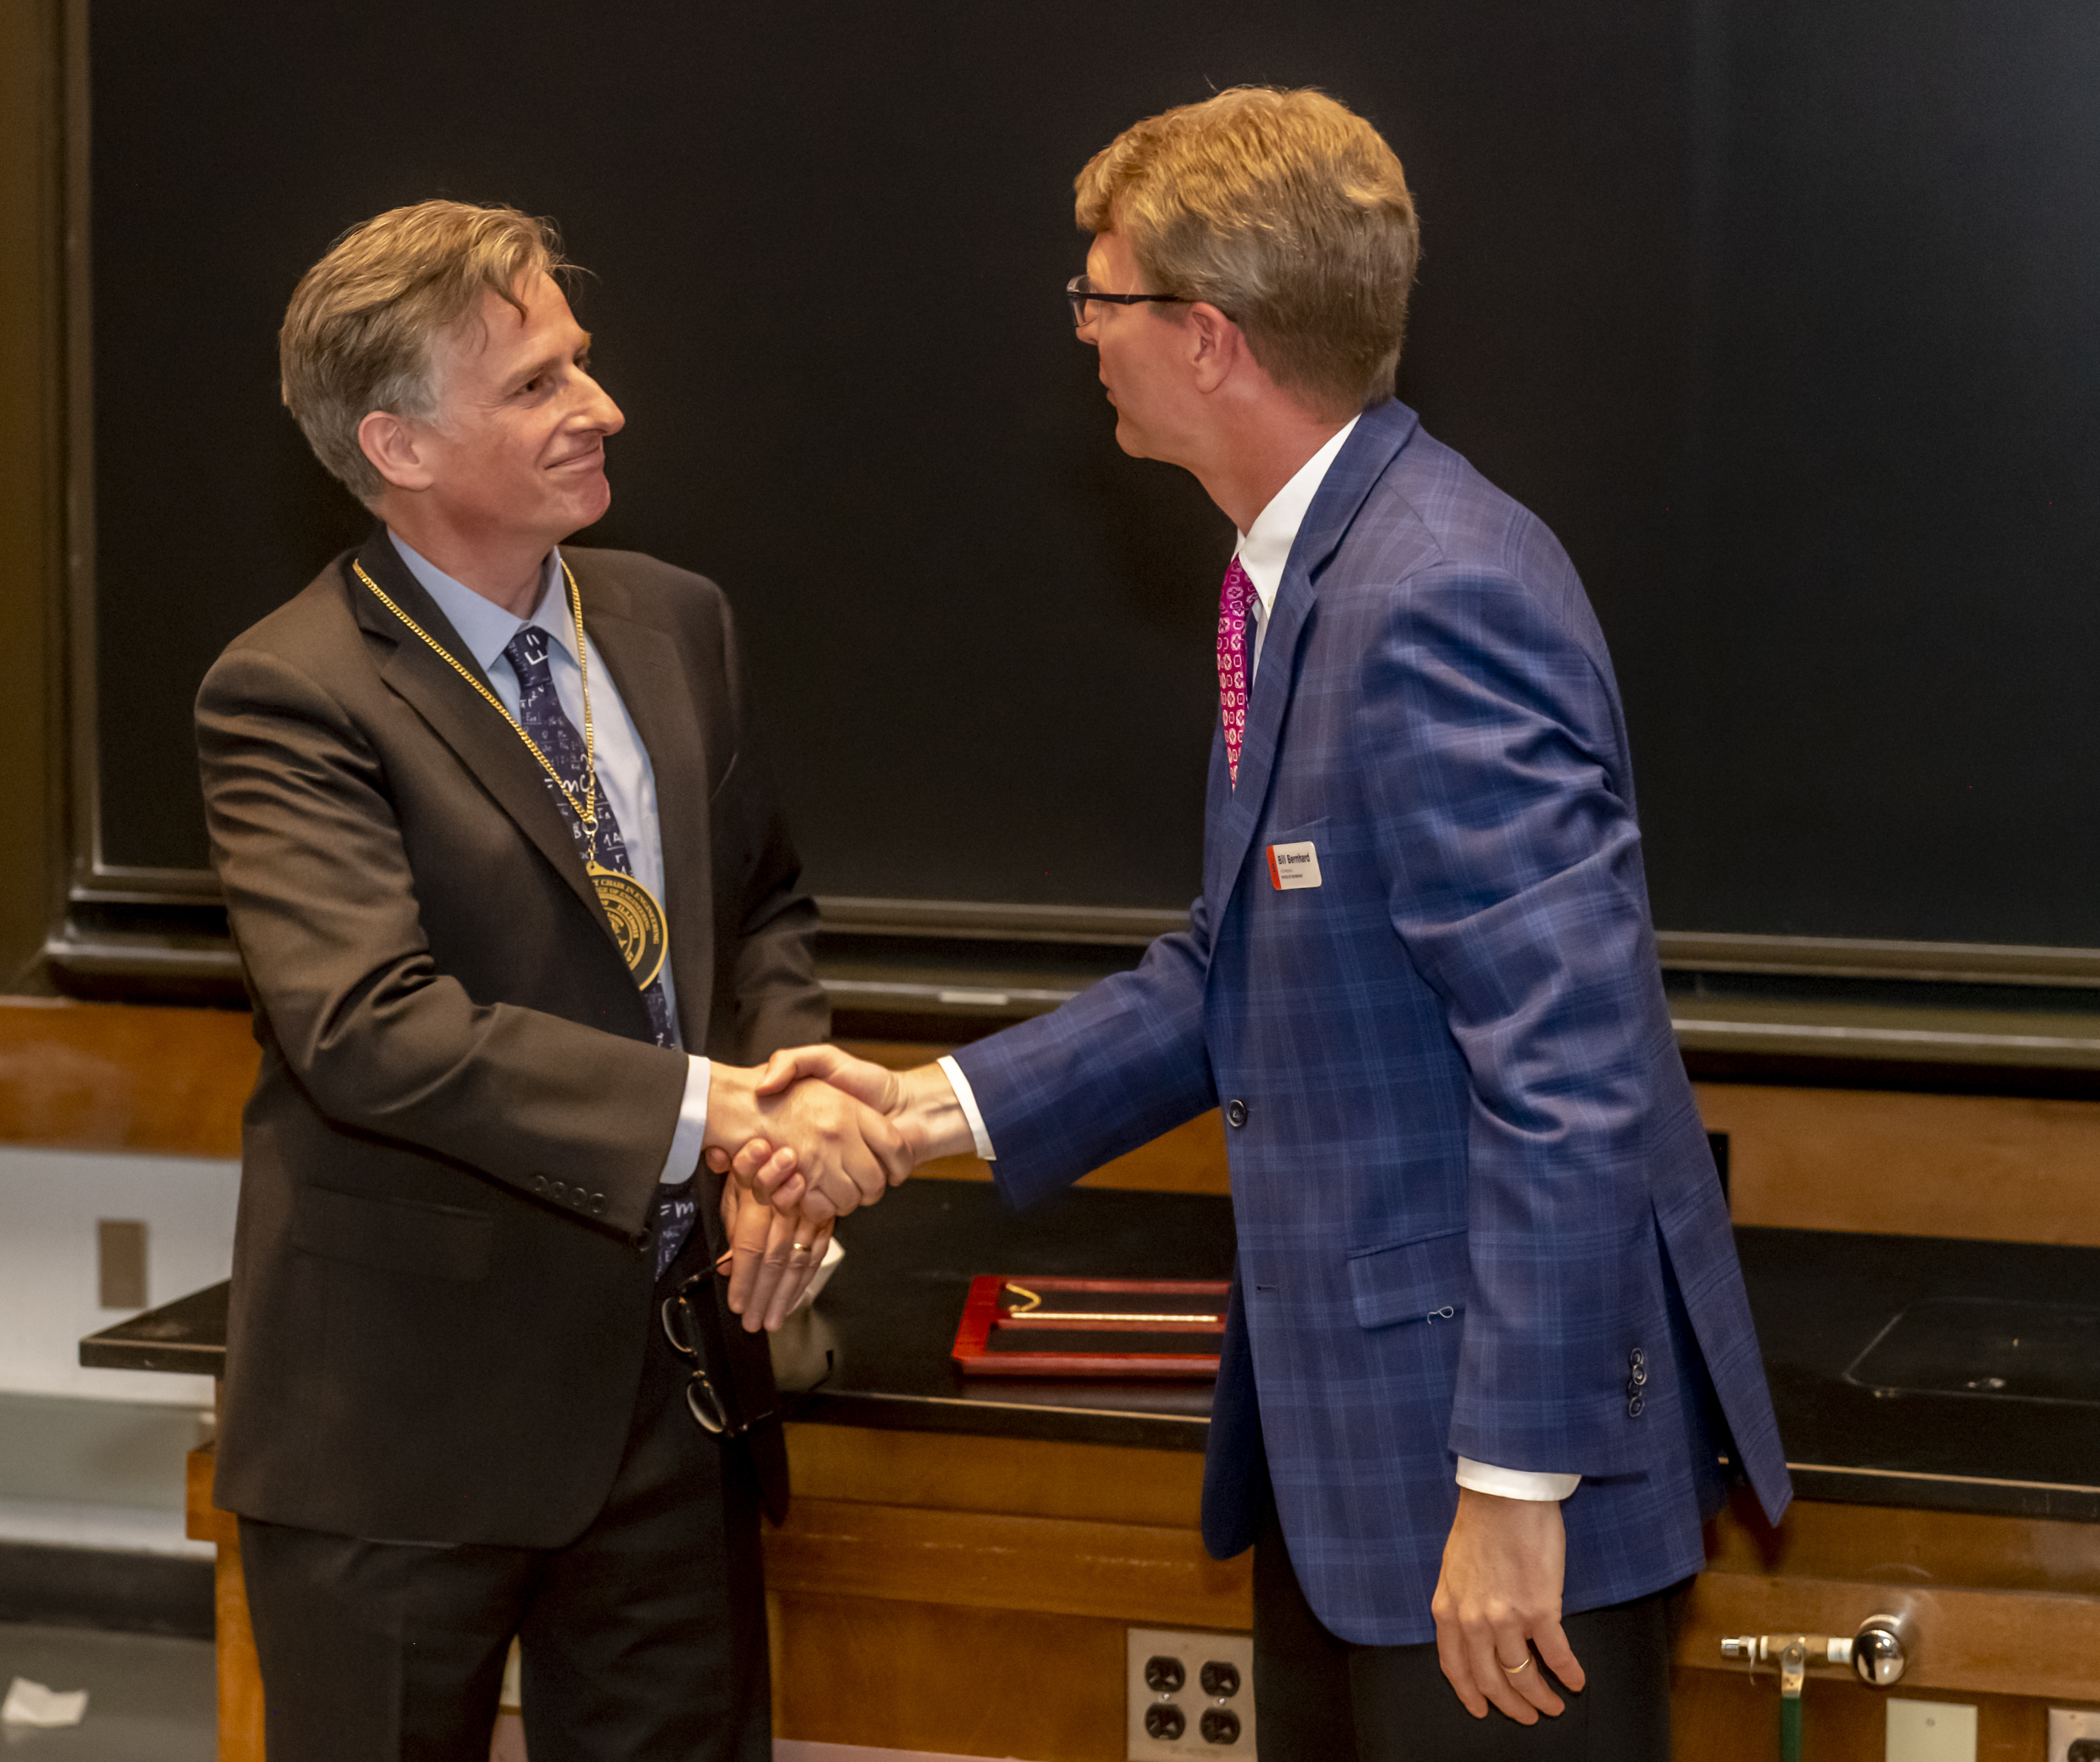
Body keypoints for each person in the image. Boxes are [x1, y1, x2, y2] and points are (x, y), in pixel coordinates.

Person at [726, 88, 1790, 1759]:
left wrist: (1520, 1488)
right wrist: (925, 1111)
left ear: (1208, 336)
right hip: (1359, 1468)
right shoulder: (1295, 574)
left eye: (1103, 297)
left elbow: (1569, 1069)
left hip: (1492, 1490)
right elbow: (1243, 967)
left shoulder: (1432, 595)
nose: (1082, 334)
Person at [196, 199, 901, 1762]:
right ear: (399, 446)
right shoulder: (289, 693)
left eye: (580, 364)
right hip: (401, 1431)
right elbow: (373, 1034)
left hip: (677, 1389)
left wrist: (781, 1160)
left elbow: (764, 910)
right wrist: (727, 1113)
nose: (602, 408)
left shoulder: (677, 621)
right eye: (534, 386)